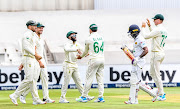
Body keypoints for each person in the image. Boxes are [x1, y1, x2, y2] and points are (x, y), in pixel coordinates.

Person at [9, 20, 46, 105]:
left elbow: (33, 47)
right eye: (34, 26)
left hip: (32, 58)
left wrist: (35, 56)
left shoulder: (32, 35)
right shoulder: (27, 34)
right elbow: (25, 47)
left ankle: (36, 99)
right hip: (28, 58)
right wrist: (35, 55)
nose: (36, 27)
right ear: (29, 26)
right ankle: (15, 95)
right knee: (29, 79)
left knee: (33, 80)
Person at [18, 22, 55, 104]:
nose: (41, 29)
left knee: (45, 78)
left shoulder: (41, 39)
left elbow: (41, 52)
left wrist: (43, 61)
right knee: (33, 80)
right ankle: (24, 95)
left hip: (42, 60)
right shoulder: (33, 37)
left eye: (42, 28)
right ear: (35, 28)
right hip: (35, 60)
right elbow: (33, 50)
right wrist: (39, 61)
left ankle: (46, 98)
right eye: (39, 28)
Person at [123, 24, 159, 104]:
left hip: (139, 62)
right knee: (134, 81)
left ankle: (153, 93)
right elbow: (135, 52)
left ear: (135, 32)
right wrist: (127, 50)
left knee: (136, 82)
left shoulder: (140, 39)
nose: (130, 34)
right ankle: (134, 100)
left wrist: (138, 58)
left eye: (131, 33)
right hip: (136, 62)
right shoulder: (136, 39)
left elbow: (146, 50)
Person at [59, 31, 94, 103]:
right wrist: (77, 50)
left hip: (74, 64)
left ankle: (84, 96)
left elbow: (83, 50)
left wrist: (86, 53)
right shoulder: (67, 44)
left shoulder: (77, 44)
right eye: (73, 35)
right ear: (69, 37)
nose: (75, 36)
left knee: (79, 81)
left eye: (75, 35)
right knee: (66, 82)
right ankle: (62, 98)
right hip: (68, 64)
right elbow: (67, 49)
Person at [141, 14, 167, 101]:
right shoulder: (162, 29)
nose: (153, 20)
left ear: (159, 20)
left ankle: (161, 94)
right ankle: (160, 90)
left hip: (156, 53)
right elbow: (154, 34)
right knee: (152, 73)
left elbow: (146, 36)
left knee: (156, 74)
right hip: (160, 53)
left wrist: (143, 27)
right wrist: (149, 26)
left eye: (155, 19)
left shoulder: (159, 29)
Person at [76, 24, 105, 103]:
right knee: (100, 79)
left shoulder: (89, 39)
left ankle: (84, 96)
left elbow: (85, 52)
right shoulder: (101, 37)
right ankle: (101, 97)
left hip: (94, 60)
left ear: (90, 30)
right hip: (102, 59)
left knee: (89, 78)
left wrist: (80, 56)